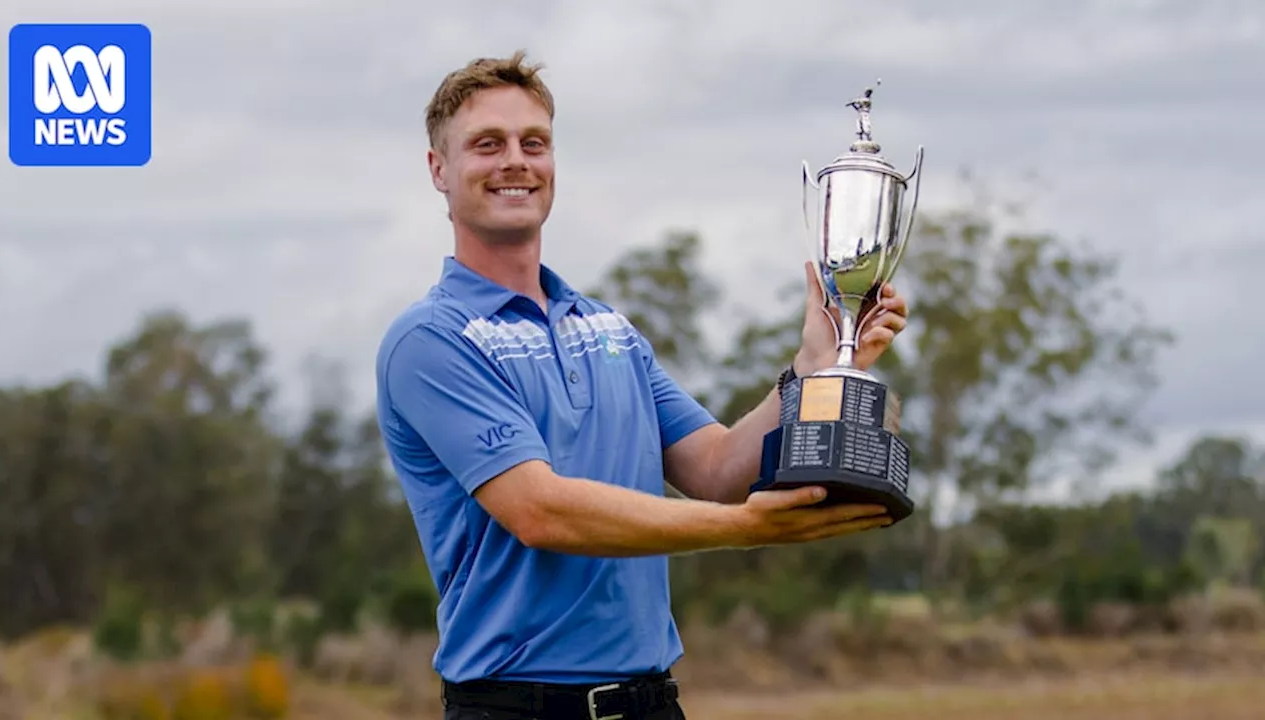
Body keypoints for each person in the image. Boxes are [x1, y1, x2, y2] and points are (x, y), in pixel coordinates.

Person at [374, 50, 909, 720]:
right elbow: (541, 510)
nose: (516, 160)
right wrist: (743, 529)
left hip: (652, 702)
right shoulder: (432, 338)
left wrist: (811, 367)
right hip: (516, 707)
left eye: (533, 143)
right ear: (439, 170)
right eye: (487, 144)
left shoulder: (608, 331)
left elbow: (717, 469)